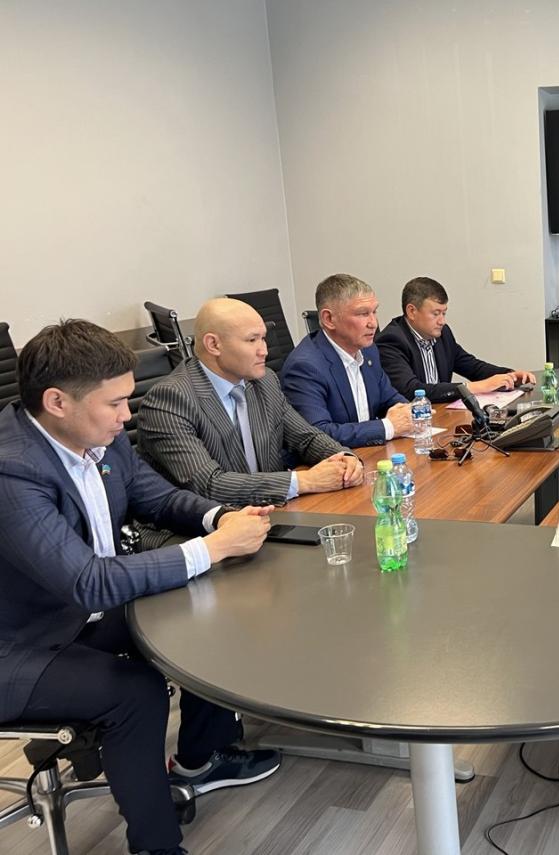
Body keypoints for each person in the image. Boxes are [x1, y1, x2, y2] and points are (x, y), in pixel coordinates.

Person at [0, 320, 281, 855]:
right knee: (135, 692)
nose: (127, 416)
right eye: (115, 404)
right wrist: (212, 549)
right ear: (57, 402)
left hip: (73, 616)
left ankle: (202, 758)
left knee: (205, 614)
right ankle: (157, 846)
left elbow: (158, 497)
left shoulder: (95, 437)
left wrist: (220, 517)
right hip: (18, 643)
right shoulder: (12, 472)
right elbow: (88, 582)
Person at [138, 298, 363, 510]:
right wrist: (305, 481)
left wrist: (345, 458)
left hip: (270, 513)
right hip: (204, 528)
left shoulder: (264, 381)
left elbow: (306, 438)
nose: (264, 350)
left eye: (263, 338)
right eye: (252, 340)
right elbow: (208, 485)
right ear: (213, 344)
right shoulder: (170, 400)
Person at [281, 274, 413, 446]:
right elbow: (318, 435)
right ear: (329, 319)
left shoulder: (369, 351)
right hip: (333, 460)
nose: (373, 323)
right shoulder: (305, 366)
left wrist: (410, 412)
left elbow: (389, 399)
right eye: (363, 314)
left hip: (369, 453)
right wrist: (387, 427)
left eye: (374, 312)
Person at [377, 276, 536, 403]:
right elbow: (411, 390)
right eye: (435, 313)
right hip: (414, 423)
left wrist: (510, 375)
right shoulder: (391, 341)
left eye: (444, 313)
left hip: (442, 416)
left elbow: (472, 366)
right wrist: (475, 387)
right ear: (412, 311)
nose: (442, 321)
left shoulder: (442, 333)